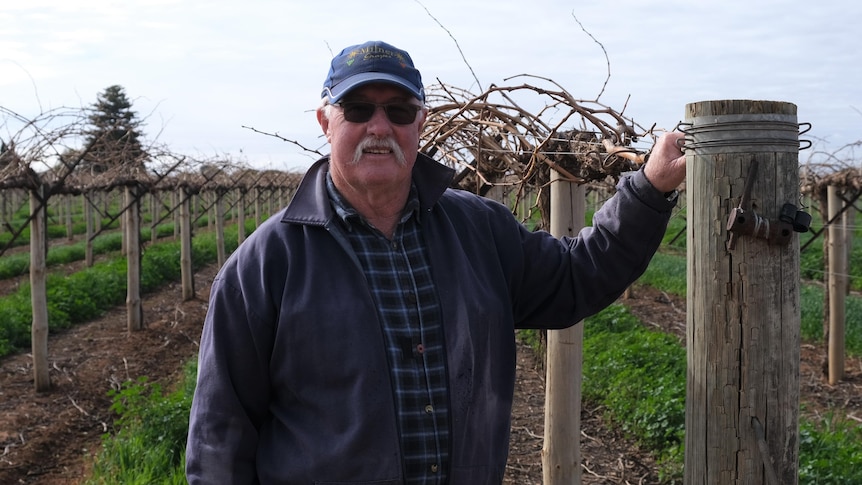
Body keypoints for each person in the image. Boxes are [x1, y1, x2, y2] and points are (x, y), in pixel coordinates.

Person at [186, 40, 686, 484]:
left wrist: (648, 189)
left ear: (421, 123)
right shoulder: (265, 265)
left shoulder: (478, 230)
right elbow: (219, 439)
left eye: (399, 111)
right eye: (357, 109)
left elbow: (576, 277)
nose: (379, 127)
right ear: (325, 121)